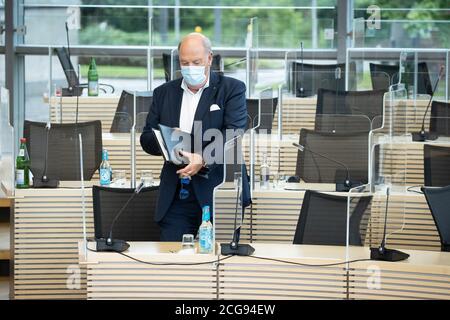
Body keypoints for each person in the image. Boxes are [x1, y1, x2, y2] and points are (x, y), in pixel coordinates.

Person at [140, 33, 250, 241]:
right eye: (185, 63)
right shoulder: (164, 93)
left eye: (196, 62)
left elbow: (233, 132)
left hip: (220, 189)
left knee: (220, 262)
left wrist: (203, 158)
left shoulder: (232, 89)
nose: (190, 67)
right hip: (178, 192)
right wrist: (166, 142)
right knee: (172, 257)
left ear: (210, 58)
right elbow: (147, 138)